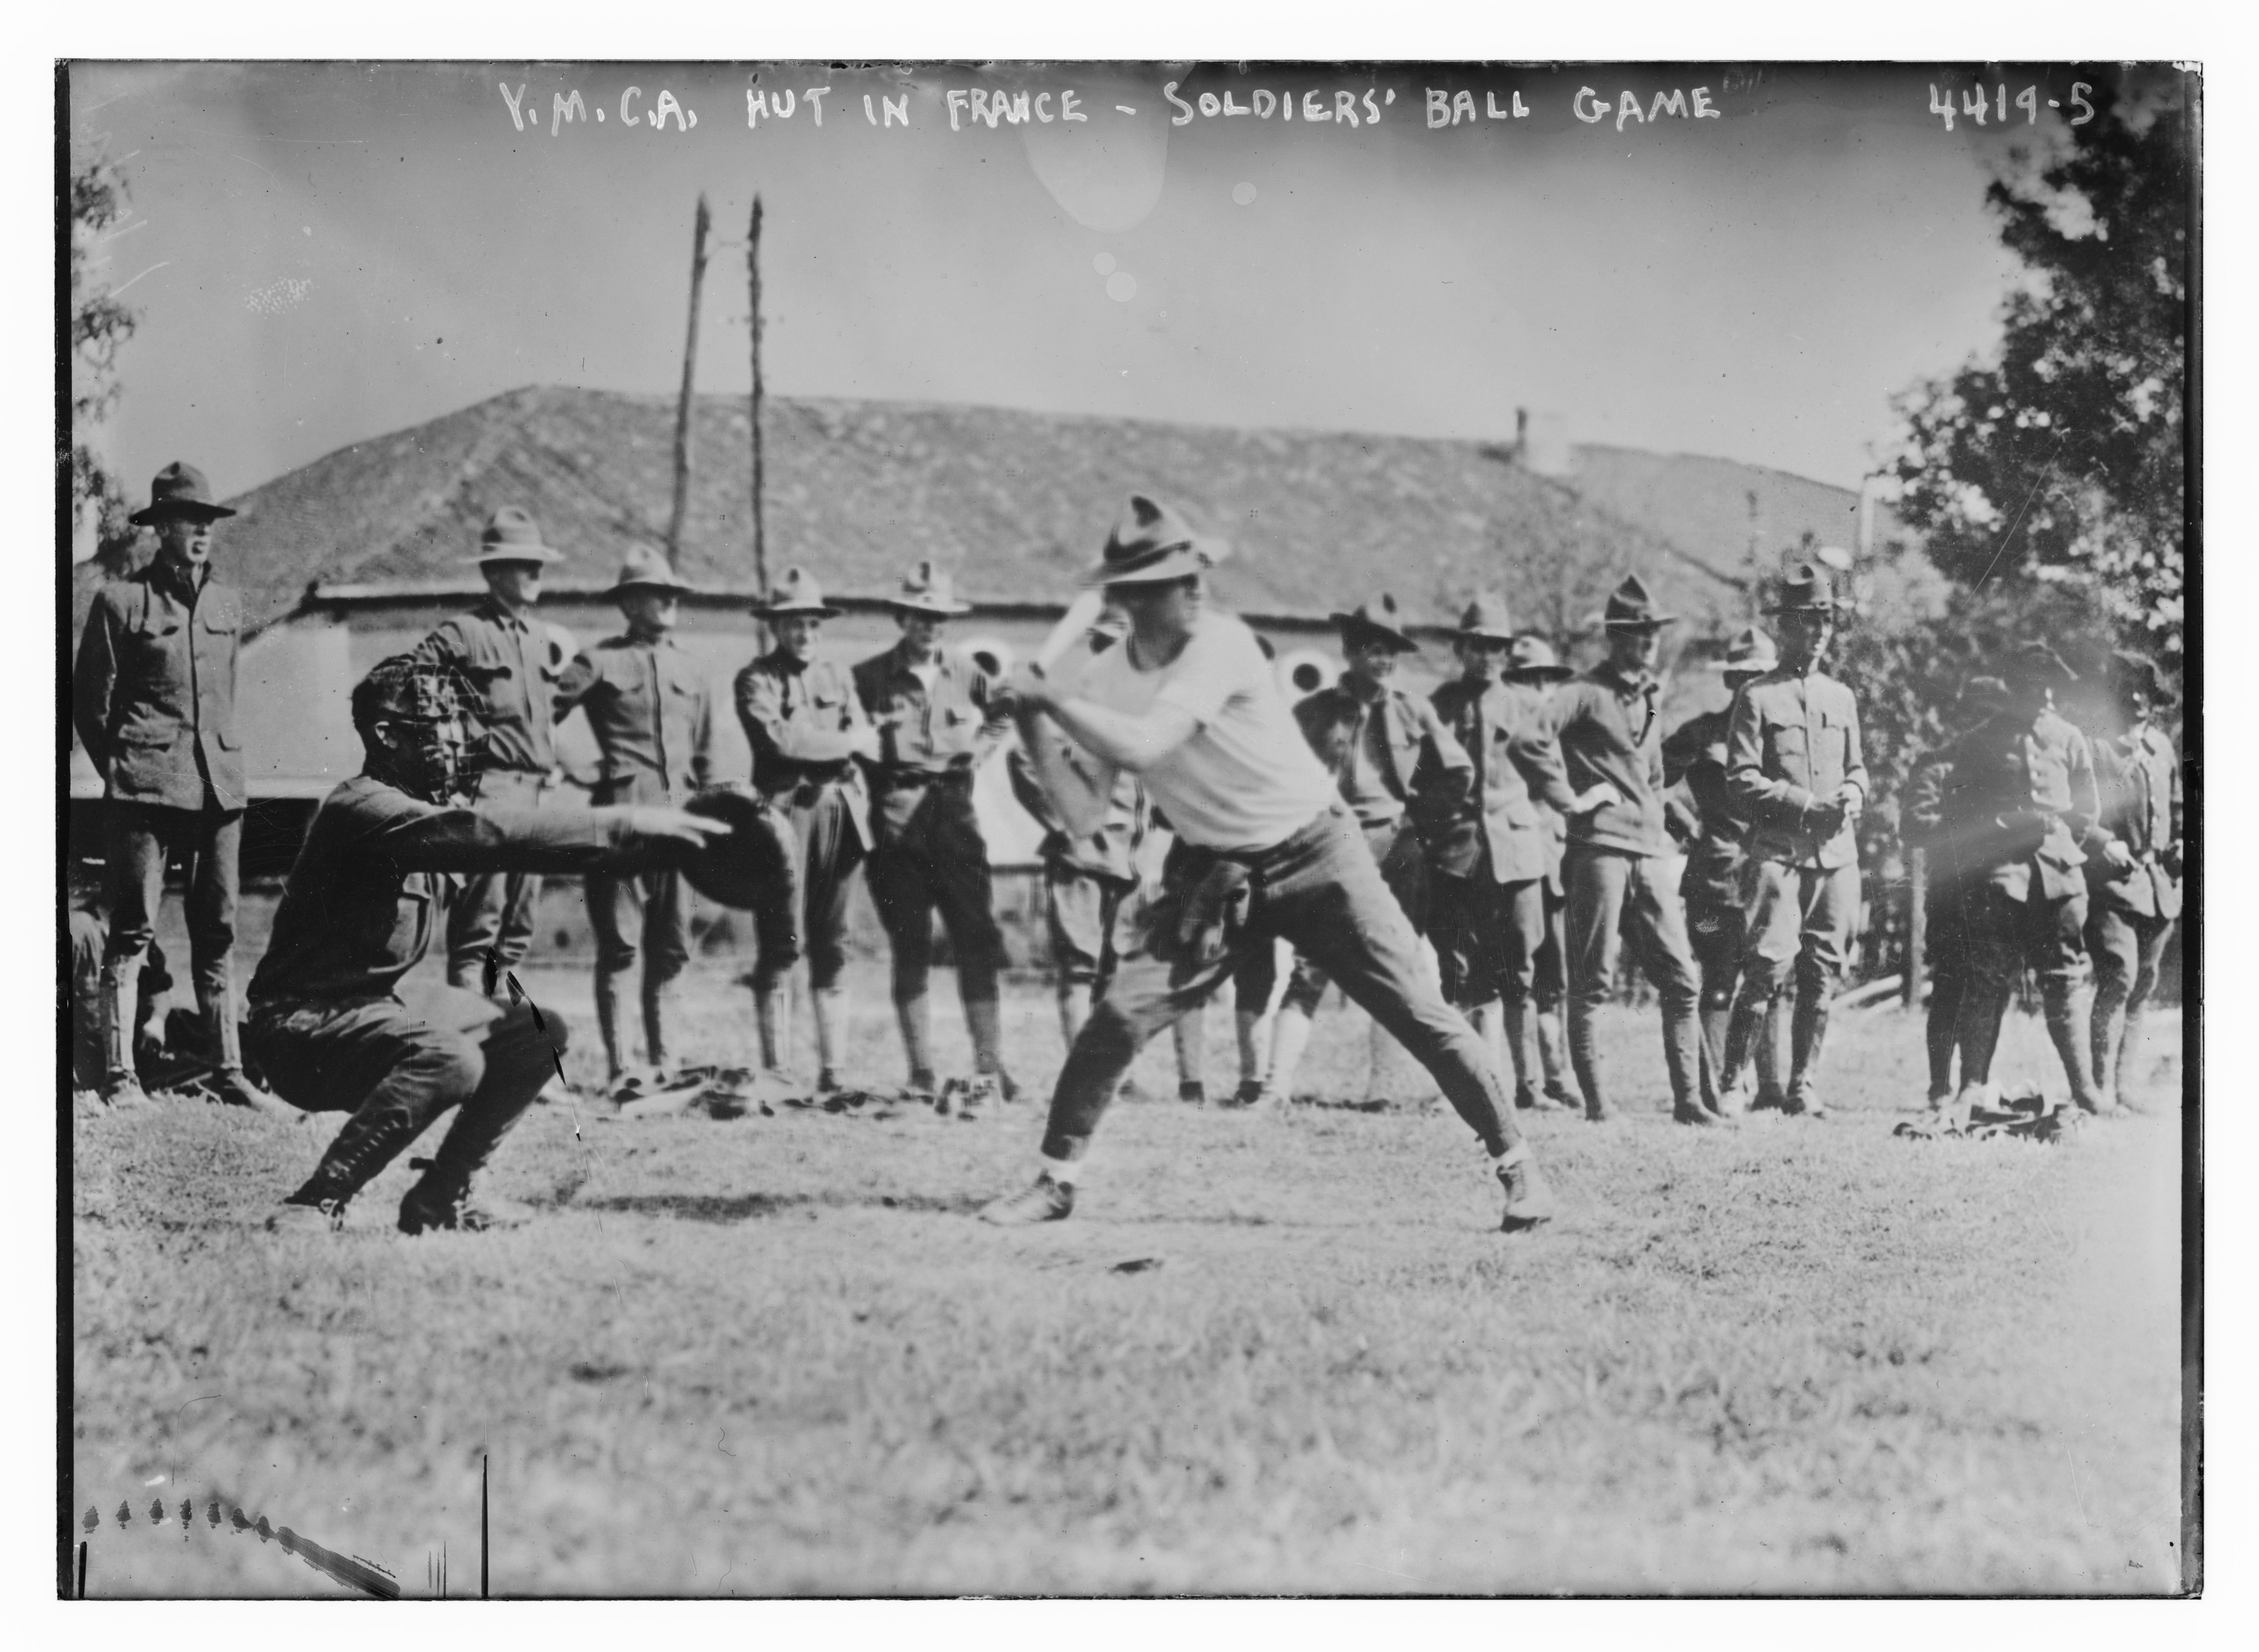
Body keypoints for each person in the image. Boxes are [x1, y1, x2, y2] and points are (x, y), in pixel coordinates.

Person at [980, 494, 1557, 1229]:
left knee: (1421, 1012)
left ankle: (1522, 1172)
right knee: (1120, 1015)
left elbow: (1148, 744)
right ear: (1126, 598)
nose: (1195, 591)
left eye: (1194, 576)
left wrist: (1050, 699)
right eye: (1170, 582)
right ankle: (1056, 1181)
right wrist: (1032, 718)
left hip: (1320, 853)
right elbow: (1086, 813)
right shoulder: (1104, 681)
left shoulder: (1221, 642)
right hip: (1217, 875)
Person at [245, 654, 727, 1235]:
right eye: (437, 725)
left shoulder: (414, 812)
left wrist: (669, 846)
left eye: (457, 723)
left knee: (535, 1032)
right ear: (386, 734)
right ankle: (314, 1200)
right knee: (450, 1058)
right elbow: (484, 835)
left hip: (365, 1014)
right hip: (298, 1031)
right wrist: (621, 819)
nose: (456, 739)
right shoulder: (360, 808)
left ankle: (441, 1198)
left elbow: (522, 845)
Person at [72, 461, 273, 1111]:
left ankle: (228, 1070)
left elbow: (227, 698)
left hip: (219, 791)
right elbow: (91, 709)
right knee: (131, 929)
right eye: (187, 522)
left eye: (207, 523)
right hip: (145, 791)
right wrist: (131, 769)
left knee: (216, 930)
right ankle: (120, 1076)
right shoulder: (121, 603)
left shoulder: (227, 605)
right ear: (159, 530)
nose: (200, 533)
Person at [1256, 593, 1473, 1108]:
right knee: (1310, 962)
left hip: (1395, 847)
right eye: (1374, 650)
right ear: (1350, 652)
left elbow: (1457, 771)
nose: (1384, 661)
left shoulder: (1412, 709)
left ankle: (1383, 1088)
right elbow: (1279, 772)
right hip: (1328, 844)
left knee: (1396, 963)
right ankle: (1274, 1087)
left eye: (1391, 653)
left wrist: (1421, 823)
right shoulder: (1313, 712)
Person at [1547, 575, 1715, 1125]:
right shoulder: (1583, 692)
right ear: (1613, 638)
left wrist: (1683, 821)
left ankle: (1688, 1100)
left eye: (1652, 633)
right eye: (1635, 633)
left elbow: (1653, 777)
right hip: (1599, 850)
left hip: (1649, 852)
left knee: (1681, 978)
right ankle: (1598, 1102)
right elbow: (1528, 736)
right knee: (1592, 980)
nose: (1646, 642)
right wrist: (1568, 798)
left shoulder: (1647, 698)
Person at [550, 546, 720, 1084]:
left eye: (673, 592)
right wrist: (580, 767)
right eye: (656, 592)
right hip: (621, 824)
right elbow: (535, 718)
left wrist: (711, 818)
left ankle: (665, 1062)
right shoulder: (597, 662)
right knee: (620, 946)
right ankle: (622, 1067)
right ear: (628, 602)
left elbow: (707, 755)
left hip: (681, 824)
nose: (669, 600)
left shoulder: (693, 667)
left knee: (671, 947)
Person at [853, 561, 1016, 1112]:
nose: (930, 626)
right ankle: (921, 1070)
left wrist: (982, 750)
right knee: (910, 946)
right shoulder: (868, 676)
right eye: (921, 616)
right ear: (902, 618)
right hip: (896, 826)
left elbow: (1004, 711)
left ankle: (988, 1066)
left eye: (939, 617)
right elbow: (849, 737)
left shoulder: (967, 671)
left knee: (976, 940)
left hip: (953, 819)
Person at [1928, 641, 2113, 1117]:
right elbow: (1956, 809)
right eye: (2031, 684)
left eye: (2048, 684)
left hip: (2058, 874)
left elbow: (2086, 811)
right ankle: (1973, 1084)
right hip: (2000, 875)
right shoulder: (1980, 739)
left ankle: (2085, 1088)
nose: (2042, 694)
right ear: (2014, 685)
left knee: (2065, 978)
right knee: (1986, 976)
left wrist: (2060, 832)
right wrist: (2000, 827)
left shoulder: (2070, 738)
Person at [1712, 567, 1869, 1119]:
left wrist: (1851, 791)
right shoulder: (1757, 697)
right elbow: (1740, 780)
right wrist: (1805, 804)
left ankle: (1803, 1085)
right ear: (1785, 627)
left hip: (1836, 859)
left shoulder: (1841, 695)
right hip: (1779, 853)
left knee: (1822, 973)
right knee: (1765, 968)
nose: (1818, 631)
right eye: (1807, 621)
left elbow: (1857, 768)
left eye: (1825, 619)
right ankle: (1733, 1084)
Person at [407, 506, 574, 996]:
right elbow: (406, 689)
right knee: (479, 930)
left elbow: (542, 717)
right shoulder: (464, 634)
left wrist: (555, 760)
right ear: (493, 571)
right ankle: (466, 1044)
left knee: (518, 930)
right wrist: (446, 769)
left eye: (539, 563)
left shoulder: (542, 639)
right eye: (525, 563)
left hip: (537, 797)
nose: (536, 573)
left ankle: (498, 1042)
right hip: (490, 793)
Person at [1427, 594, 1582, 1113]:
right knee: (1458, 968)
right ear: (1460, 647)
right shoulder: (1439, 705)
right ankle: (1467, 1082)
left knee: (1517, 967)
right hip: (1458, 851)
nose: (1487, 656)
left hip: (1516, 849)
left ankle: (1530, 1086)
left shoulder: (1526, 708)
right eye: (1477, 646)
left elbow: (1549, 779)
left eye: (1496, 646)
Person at [734, 567, 879, 1093]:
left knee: (833, 941)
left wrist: (842, 741)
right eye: (794, 623)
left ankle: (833, 1070)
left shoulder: (838, 676)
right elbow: (780, 742)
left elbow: (865, 740)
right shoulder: (756, 679)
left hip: (839, 814)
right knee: (781, 941)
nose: (805, 634)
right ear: (776, 626)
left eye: (813, 623)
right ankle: (777, 1069)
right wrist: (842, 740)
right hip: (783, 815)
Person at [1007, 607, 1152, 1051]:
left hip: (1129, 859)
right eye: (1104, 645)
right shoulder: (1072, 704)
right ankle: (1080, 1073)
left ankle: (1107, 1072)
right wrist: (1067, 820)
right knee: (1080, 967)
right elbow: (1023, 758)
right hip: (1083, 858)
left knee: (1117, 969)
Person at [1661, 626, 1786, 1113]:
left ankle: (1770, 1087)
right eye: (1742, 676)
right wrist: (1682, 822)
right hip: (1714, 879)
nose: (1750, 685)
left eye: (1760, 676)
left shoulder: (1781, 736)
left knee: (1768, 975)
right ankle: (1716, 1088)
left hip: (1772, 875)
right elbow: (1648, 778)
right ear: (1730, 680)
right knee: (1717, 978)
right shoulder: (1700, 733)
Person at [1903, 674, 2011, 1109]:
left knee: (1992, 987)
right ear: (1963, 716)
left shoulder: (2010, 766)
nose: (1984, 724)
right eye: (1977, 714)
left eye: (1993, 715)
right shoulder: (1937, 764)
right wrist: (1971, 827)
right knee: (1950, 985)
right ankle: (1940, 1087)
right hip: (1952, 892)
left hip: (2000, 892)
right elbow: (1913, 824)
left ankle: (1976, 1081)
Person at [2084, 651, 2183, 1111]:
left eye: (2147, 690)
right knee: (2117, 978)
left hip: (2161, 885)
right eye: (2130, 690)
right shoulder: (2097, 748)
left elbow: (2180, 806)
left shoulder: (2161, 748)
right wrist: (2104, 840)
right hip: (2113, 886)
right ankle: (2099, 1088)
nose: (2140, 699)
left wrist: (2182, 842)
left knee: (2142, 983)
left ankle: (2124, 1088)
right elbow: (2075, 812)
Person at [1501, 634, 1580, 1110]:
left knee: (1557, 976)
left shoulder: (1561, 733)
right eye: (1529, 680)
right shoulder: (1509, 737)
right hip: (1517, 862)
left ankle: (1558, 1074)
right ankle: (1527, 1082)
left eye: (1546, 680)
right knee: (1521, 973)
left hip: (1556, 860)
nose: (1539, 690)